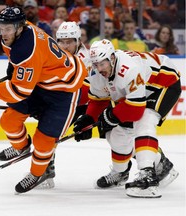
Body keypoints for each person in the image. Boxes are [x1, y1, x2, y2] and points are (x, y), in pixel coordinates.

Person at [0, 7, 87, 194]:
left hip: (65, 90)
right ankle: (22, 147)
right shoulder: (22, 32)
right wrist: (14, 68)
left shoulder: (27, 48)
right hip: (42, 82)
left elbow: (19, 91)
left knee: (44, 141)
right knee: (9, 120)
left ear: (19, 27)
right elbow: (22, 66)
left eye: (8, 28)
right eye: (0, 27)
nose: (3, 32)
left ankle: (38, 173)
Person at [73, 39, 180, 198]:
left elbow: (136, 110)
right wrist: (88, 119)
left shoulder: (128, 68)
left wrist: (111, 115)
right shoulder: (96, 73)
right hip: (137, 92)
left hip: (163, 83)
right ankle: (124, 172)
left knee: (145, 120)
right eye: (96, 64)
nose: (99, 68)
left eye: (103, 63)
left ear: (112, 58)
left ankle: (148, 177)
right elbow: (99, 100)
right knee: (117, 134)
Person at [37, 21, 91, 189]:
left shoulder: (84, 59)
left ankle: (155, 162)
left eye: (69, 42)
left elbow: (80, 90)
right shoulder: (57, 53)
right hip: (71, 99)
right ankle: (46, 168)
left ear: (78, 41)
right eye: (62, 41)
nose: (65, 45)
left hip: (89, 102)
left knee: (120, 134)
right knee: (48, 129)